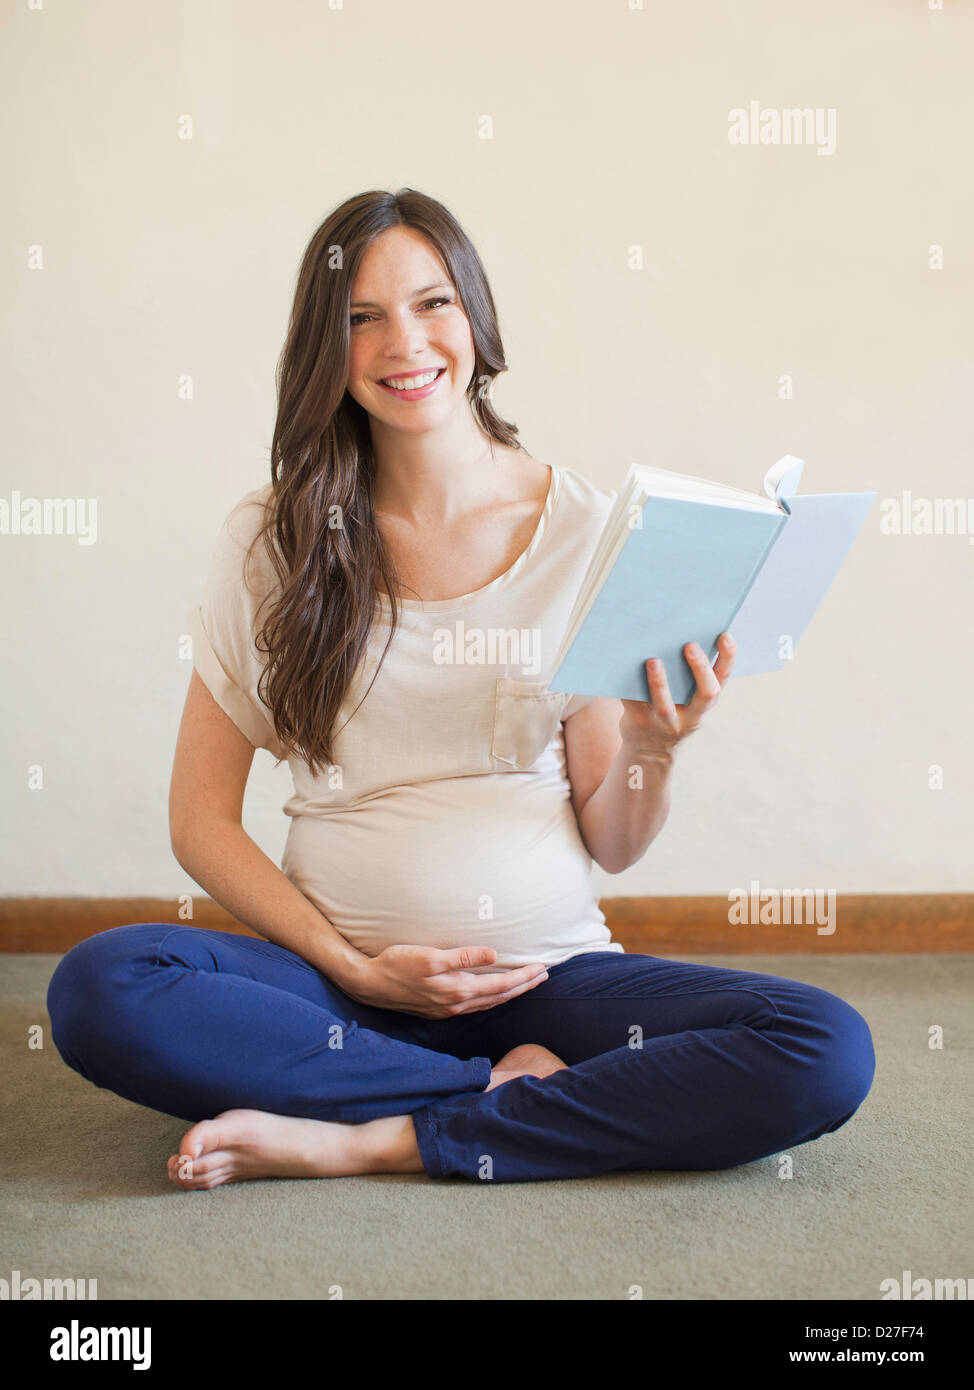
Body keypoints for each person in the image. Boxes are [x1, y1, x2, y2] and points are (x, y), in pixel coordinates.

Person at [46, 188, 875, 1188]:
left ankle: (373, 1134)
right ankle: (494, 1095)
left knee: (822, 1044)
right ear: (327, 345)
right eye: (362, 317)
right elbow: (200, 821)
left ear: (475, 320)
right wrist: (353, 967)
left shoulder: (580, 526)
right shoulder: (275, 538)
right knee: (103, 985)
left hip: (546, 975)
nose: (404, 341)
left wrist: (657, 746)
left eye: (432, 303)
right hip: (338, 992)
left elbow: (608, 840)